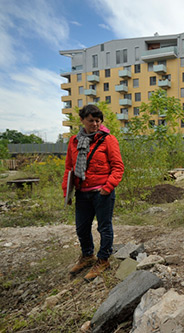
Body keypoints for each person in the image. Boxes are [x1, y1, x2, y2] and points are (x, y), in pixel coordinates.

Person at [62, 104, 124, 281]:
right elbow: (69, 168)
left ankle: (103, 259)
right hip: (82, 192)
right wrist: (67, 193)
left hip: (102, 192)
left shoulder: (108, 140)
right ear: (82, 120)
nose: (95, 124)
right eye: (91, 121)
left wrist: (107, 187)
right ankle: (88, 256)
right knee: (81, 228)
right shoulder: (74, 141)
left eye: (98, 121)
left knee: (104, 227)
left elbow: (118, 167)